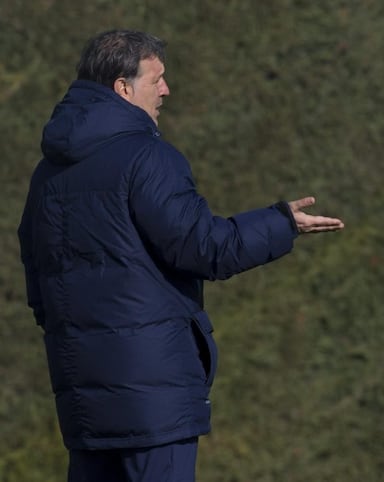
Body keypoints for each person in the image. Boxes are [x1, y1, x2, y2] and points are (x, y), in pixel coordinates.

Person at [18, 30, 344, 482]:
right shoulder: (148, 157)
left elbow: (39, 287)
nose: (167, 89)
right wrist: (281, 222)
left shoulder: (47, 175)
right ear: (123, 88)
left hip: (82, 400)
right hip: (153, 399)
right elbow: (205, 248)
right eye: (158, 79)